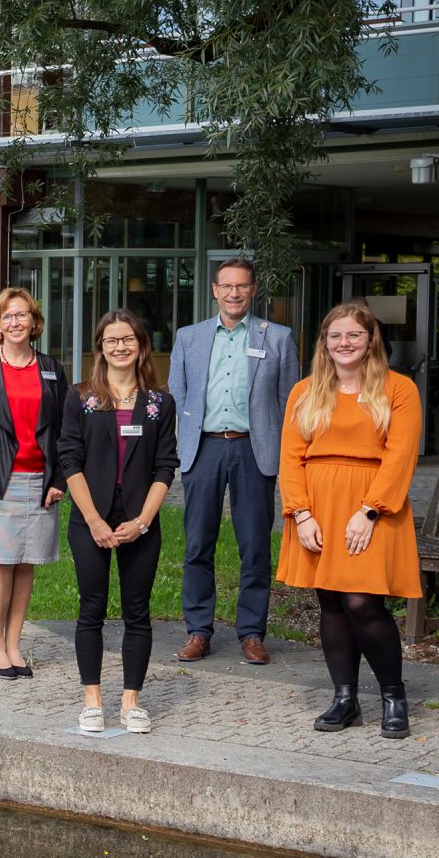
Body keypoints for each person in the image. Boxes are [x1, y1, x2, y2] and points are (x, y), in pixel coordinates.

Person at [278, 301, 423, 739]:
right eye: (335, 335)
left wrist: (370, 510)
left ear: (370, 340)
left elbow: (400, 456)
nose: (344, 343)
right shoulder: (306, 391)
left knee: (362, 601)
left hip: (372, 506)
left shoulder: (398, 390)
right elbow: (290, 456)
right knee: (331, 601)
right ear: (324, 343)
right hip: (317, 507)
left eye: (354, 335)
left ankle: (393, 696)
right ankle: (345, 699)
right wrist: (301, 513)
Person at [167, 258, 299, 665]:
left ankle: (252, 633)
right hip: (203, 449)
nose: (234, 293)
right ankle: (198, 630)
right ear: (215, 291)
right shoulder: (189, 337)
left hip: (253, 449)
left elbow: (290, 401)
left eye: (242, 286)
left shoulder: (277, 337)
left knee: (255, 545)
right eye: (227, 286)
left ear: (253, 289)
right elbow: (178, 392)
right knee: (197, 544)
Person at [58, 309, 177, 735]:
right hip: (90, 521)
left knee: (137, 612)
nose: (120, 347)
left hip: (139, 524)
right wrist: (92, 520)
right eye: (112, 340)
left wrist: (144, 521)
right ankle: (92, 699)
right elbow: (69, 460)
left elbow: (166, 467)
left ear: (141, 345)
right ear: (101, 348)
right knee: (91, 609)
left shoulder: (159, 403)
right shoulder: (82, 398)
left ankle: (131, 702)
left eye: (128, 339)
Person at [0, 288, 69, 680]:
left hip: (40, 482)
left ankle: (15, 642)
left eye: (22, 315)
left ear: (34, 322)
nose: (15, 322)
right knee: (1, 563)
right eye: (7, 316)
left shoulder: (52, 368)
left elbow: (65, 429)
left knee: (26, 565)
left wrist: (60, 479)